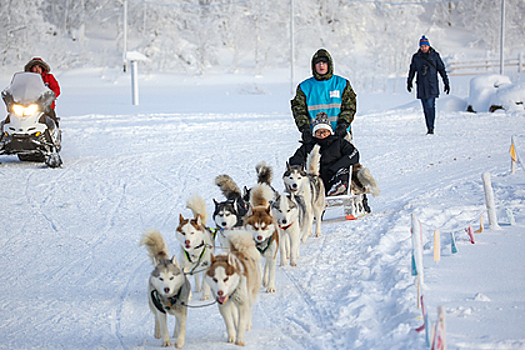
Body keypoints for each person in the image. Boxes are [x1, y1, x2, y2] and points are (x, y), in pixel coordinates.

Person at [291, 48, 356, 143]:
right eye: (318, 63)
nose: (321, 65)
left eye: (324, 62)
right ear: (313, 66)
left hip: (340, 134)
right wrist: (304, 128)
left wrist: (343, 124)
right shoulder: (304, 87)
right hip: (316, 136)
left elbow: (349, 107)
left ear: (329, 65)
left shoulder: (342, 84)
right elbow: (299, 111)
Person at [288, 112, 360, 198]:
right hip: (317, 178)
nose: (322, 134)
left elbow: (353, 154)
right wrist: (296, 167)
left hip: (335, 172)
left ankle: (338, 188)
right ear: (314, 133)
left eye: (324, 131)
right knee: (308, 180)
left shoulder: (339, 142)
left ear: (329, 131)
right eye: (318, 132)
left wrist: (335, 167)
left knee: (343, 172)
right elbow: (297, 158)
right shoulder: (309, 145)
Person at [407, 35, 450, 135]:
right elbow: (412, 70)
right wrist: (409, 81)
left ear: (428, 46)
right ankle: (428, 127)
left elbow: (442, 70)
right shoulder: (416, 57)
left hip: (432, 85)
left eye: (425, 46)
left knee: (431, 106)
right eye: (422, 47)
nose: (424, 48)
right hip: (421, 86)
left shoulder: (435, 56)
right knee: (425, 108)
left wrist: (446, 83)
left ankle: (431, 127)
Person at [24, 57, 61, 126]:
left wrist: (51, 96)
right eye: (34, 67)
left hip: (46, 105)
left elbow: (56, 89)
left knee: (51, 119)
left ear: (42, 68)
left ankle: (53, 132)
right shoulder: (26, 79)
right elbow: (20, 88)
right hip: (28, 104)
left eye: (39, 67)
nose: (37, 69)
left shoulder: (48, 77)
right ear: (31, 69)